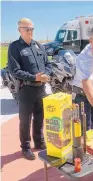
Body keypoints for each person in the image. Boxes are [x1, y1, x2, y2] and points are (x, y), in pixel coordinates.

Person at [8, 18, 53, 160]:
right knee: (25, 120)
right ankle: (26, 147)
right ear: (19, 30)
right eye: (26, 29)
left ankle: (39, 142)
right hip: (26, 89)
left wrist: (46, 74)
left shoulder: (39, 46)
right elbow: (14, 70)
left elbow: (48, 64)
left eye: (32, 29)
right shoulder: (14, 47)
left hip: (41, 89)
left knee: (40, 117)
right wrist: (35, 78)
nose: (30, 31)